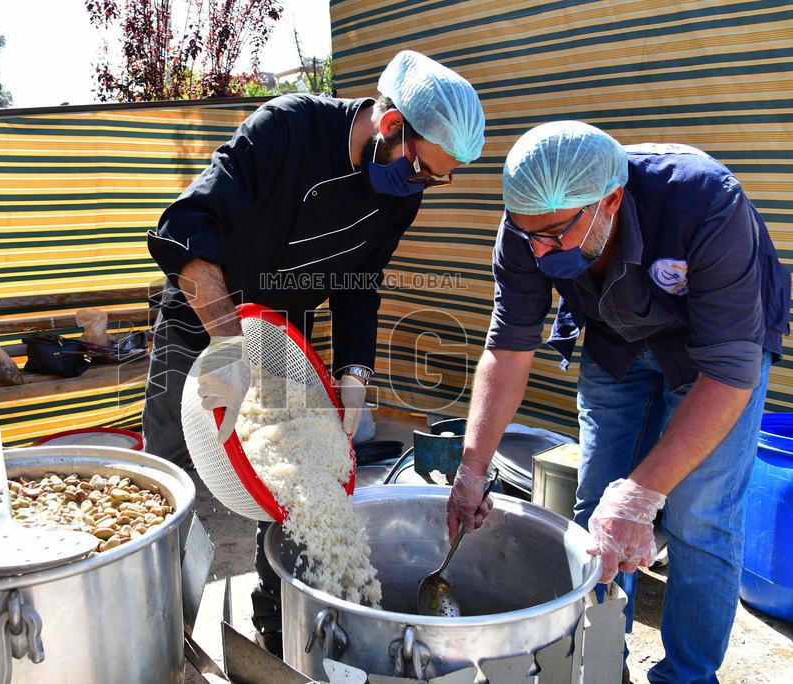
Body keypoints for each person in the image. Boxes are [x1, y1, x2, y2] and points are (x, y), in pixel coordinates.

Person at [143, 50, 485, 655]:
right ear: (389, 127)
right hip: (204, 327)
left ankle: (280, 638)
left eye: (439, 177)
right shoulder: (288, 130)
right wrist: (226, 345)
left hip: (282, 344)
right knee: (168, 486)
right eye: (425, 170)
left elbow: (361, 285)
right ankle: (155, 638)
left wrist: (354, 375)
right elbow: (187, 228)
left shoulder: (399, 191)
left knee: (291, 488)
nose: (427, 186)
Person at [445, 121, 790, 684]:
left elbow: (730, 375)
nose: (539, 249)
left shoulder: (704, 203)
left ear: (610, 199)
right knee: (596, 510)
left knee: (700, 517)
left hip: (716, 359)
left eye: (554, 235)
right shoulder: (530, 224)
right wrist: (472, 467)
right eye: (528, 235)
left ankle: (688, 676)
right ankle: (601, 665)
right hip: (616, 340)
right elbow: (508, 349)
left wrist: (644, 493)